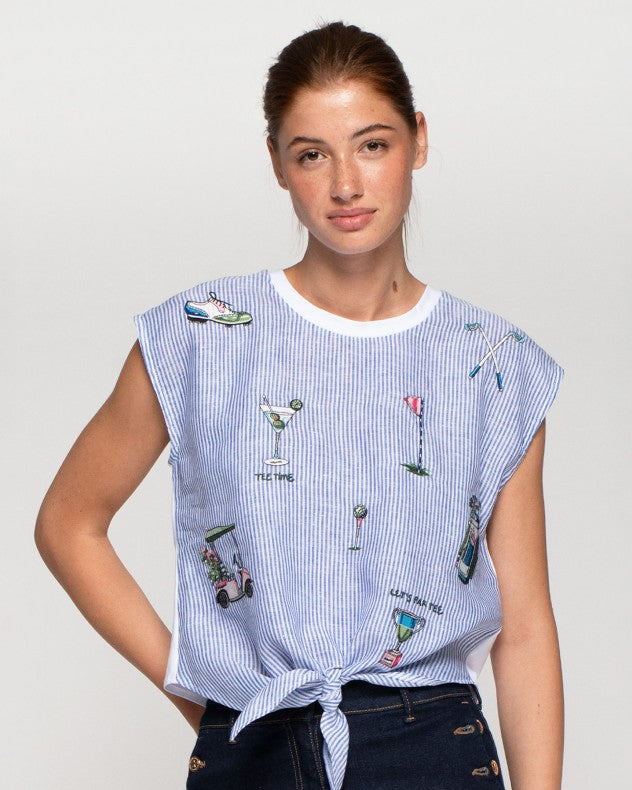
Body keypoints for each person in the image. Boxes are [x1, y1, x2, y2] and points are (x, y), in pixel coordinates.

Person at [35, 20, 565, 790]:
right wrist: (201, 694)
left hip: (435, 745)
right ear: (278, 165)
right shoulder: (201, 335)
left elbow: (525, 629)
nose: (345, 183)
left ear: (418, 140)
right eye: (312, 154)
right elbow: (68, 522)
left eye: (372, 144)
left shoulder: (496, 364)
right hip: (257, 740)